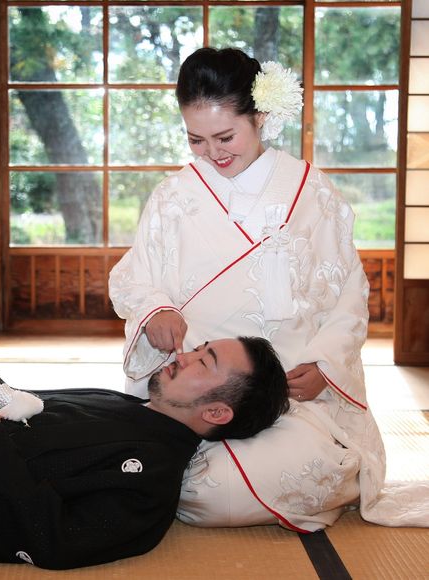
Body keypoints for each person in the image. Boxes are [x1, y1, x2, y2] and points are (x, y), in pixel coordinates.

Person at [109, 47, 428, 529]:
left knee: (223, 485)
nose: (213, 153)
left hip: (293, 396)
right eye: (196, 140)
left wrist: (325, 366)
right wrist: (154, 309)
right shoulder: (173, 196)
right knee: (194, 479)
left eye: (225, 137)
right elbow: (134, 274)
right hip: (199, 398)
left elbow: (349, 292)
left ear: (259, 117)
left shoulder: (311, 190)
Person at [0, 336, 289, 570]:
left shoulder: (153, 484)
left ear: (216, 411)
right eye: (198, 348)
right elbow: (24, 407)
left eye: (204, 362)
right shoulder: (119, 401)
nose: (184, 355)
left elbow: (57, 539)